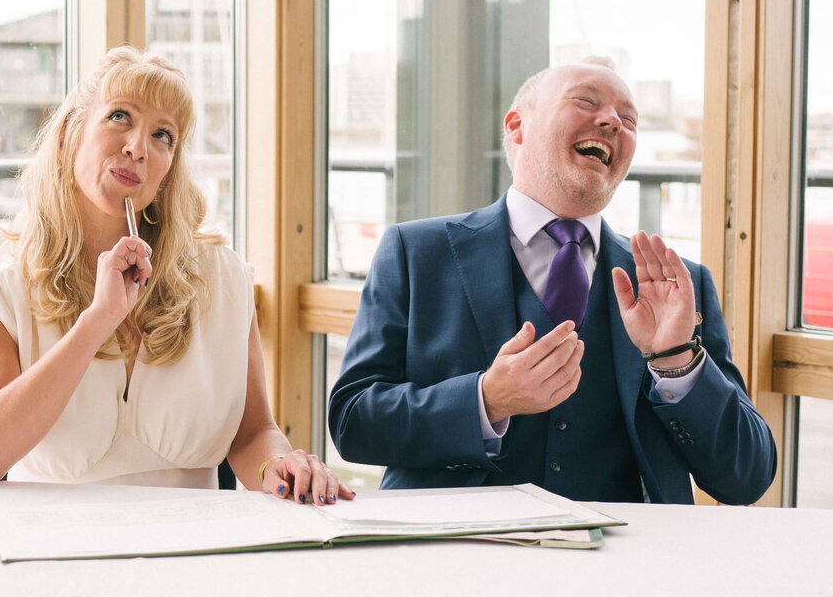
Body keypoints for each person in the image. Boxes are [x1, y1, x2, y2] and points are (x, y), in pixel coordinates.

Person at [328, 58, 776, 504]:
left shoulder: (676, 285)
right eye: (586, 100)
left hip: (626, 563)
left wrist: (676, 362)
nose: (612, 122)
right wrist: (486, 400)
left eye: (629, 119)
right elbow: (353, 422)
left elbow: (746, 477)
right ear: (517, 126)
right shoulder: (415, 253)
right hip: (457, 550)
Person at [0, 46, 352, 506]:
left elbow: (251, 434)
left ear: (168, 170)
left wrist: (278, 467)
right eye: (120, 117)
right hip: (55, 558)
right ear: (67, 138)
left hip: (193, 556)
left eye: (162, 135)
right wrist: (97, 321)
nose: (138, 148)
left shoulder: (221, 280)